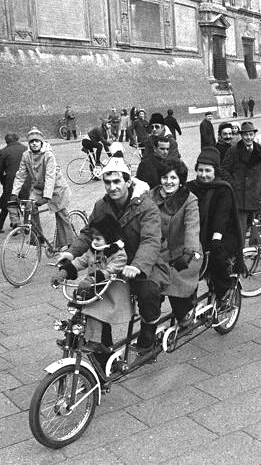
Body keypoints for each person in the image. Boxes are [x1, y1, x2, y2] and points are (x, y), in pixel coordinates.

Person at [57, 154, 168, 352]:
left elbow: (151, 240)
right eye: (107, 182)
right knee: (90, 292)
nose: (112, 187)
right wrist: (71, 254)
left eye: (117, 181)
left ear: (127, 181)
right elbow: (90, 232)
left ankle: (149, 331)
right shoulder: (102, 205)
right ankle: (101, 345)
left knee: (148, 291)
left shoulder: (146, 206)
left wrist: (137, 266)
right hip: (113, 262)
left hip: (144, 261)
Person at [50, 214, 130, 361]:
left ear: (110, 238)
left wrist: (93, 278)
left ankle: (95, 341)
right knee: (78, 307)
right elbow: (80, 261)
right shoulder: (92, 251)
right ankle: (73, 336)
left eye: (98, 239)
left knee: (94, 312)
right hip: (93, 289)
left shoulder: (118, 254)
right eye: (93, 238)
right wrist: (65, 271)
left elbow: (111, 270)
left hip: (111, 292)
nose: (94, 242)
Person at [188, 147, 244, 305]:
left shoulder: (223, 189)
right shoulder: (191, 187)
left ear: (215, 171)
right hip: (197, 232)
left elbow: (222, 216)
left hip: (222, 233)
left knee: (216, 256)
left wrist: (216, 238)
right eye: (200, 170)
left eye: (207, 171)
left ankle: (224, 291)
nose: (203, 175)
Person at [150, 159, 201, 326]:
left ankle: (185, 312)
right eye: (165, 177)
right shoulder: (151, 196)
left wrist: (188, 252)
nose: (168, 182)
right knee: (150, 288)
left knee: (175, 283)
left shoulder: (189, 199)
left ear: (180, 181)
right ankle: (150, 321)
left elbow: (192, 227)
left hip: (183, 253)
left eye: (173, 178)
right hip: (158, 253)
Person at [11, 127, 75, 250]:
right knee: (29, 208)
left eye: (37, 141)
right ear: (29, 144)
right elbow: (20, 175)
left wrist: (46, 197)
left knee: (61, 213)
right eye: (31, 141)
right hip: (38, 188)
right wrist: (14, 193)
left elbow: (50, 176)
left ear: (42, 142)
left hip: (56, 188)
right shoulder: (26, 155)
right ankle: (37, 237)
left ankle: (71, 244)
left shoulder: (48, 155)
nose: (34, 143)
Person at [221, 121, 261, 237]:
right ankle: (241, 253)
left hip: (256, 196)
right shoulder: (234, 150)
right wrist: (233, 184)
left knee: (256, 230)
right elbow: (224, 170)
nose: (249, 138)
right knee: (240, 231)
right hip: (240, 197)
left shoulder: (260, 150)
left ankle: (255, 253)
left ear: (254, 135)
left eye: (251, 134)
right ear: (241, 136)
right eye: (246, 135)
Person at [0, 133, 29, 233]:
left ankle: (5, 225)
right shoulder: (26, 149)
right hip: (26, 180)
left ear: (6, 141)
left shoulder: (3, 152)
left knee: (9, 202)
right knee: (25, 203)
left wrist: (2, 179)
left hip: (11, 181)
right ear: (17, 139)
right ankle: (26, 227)